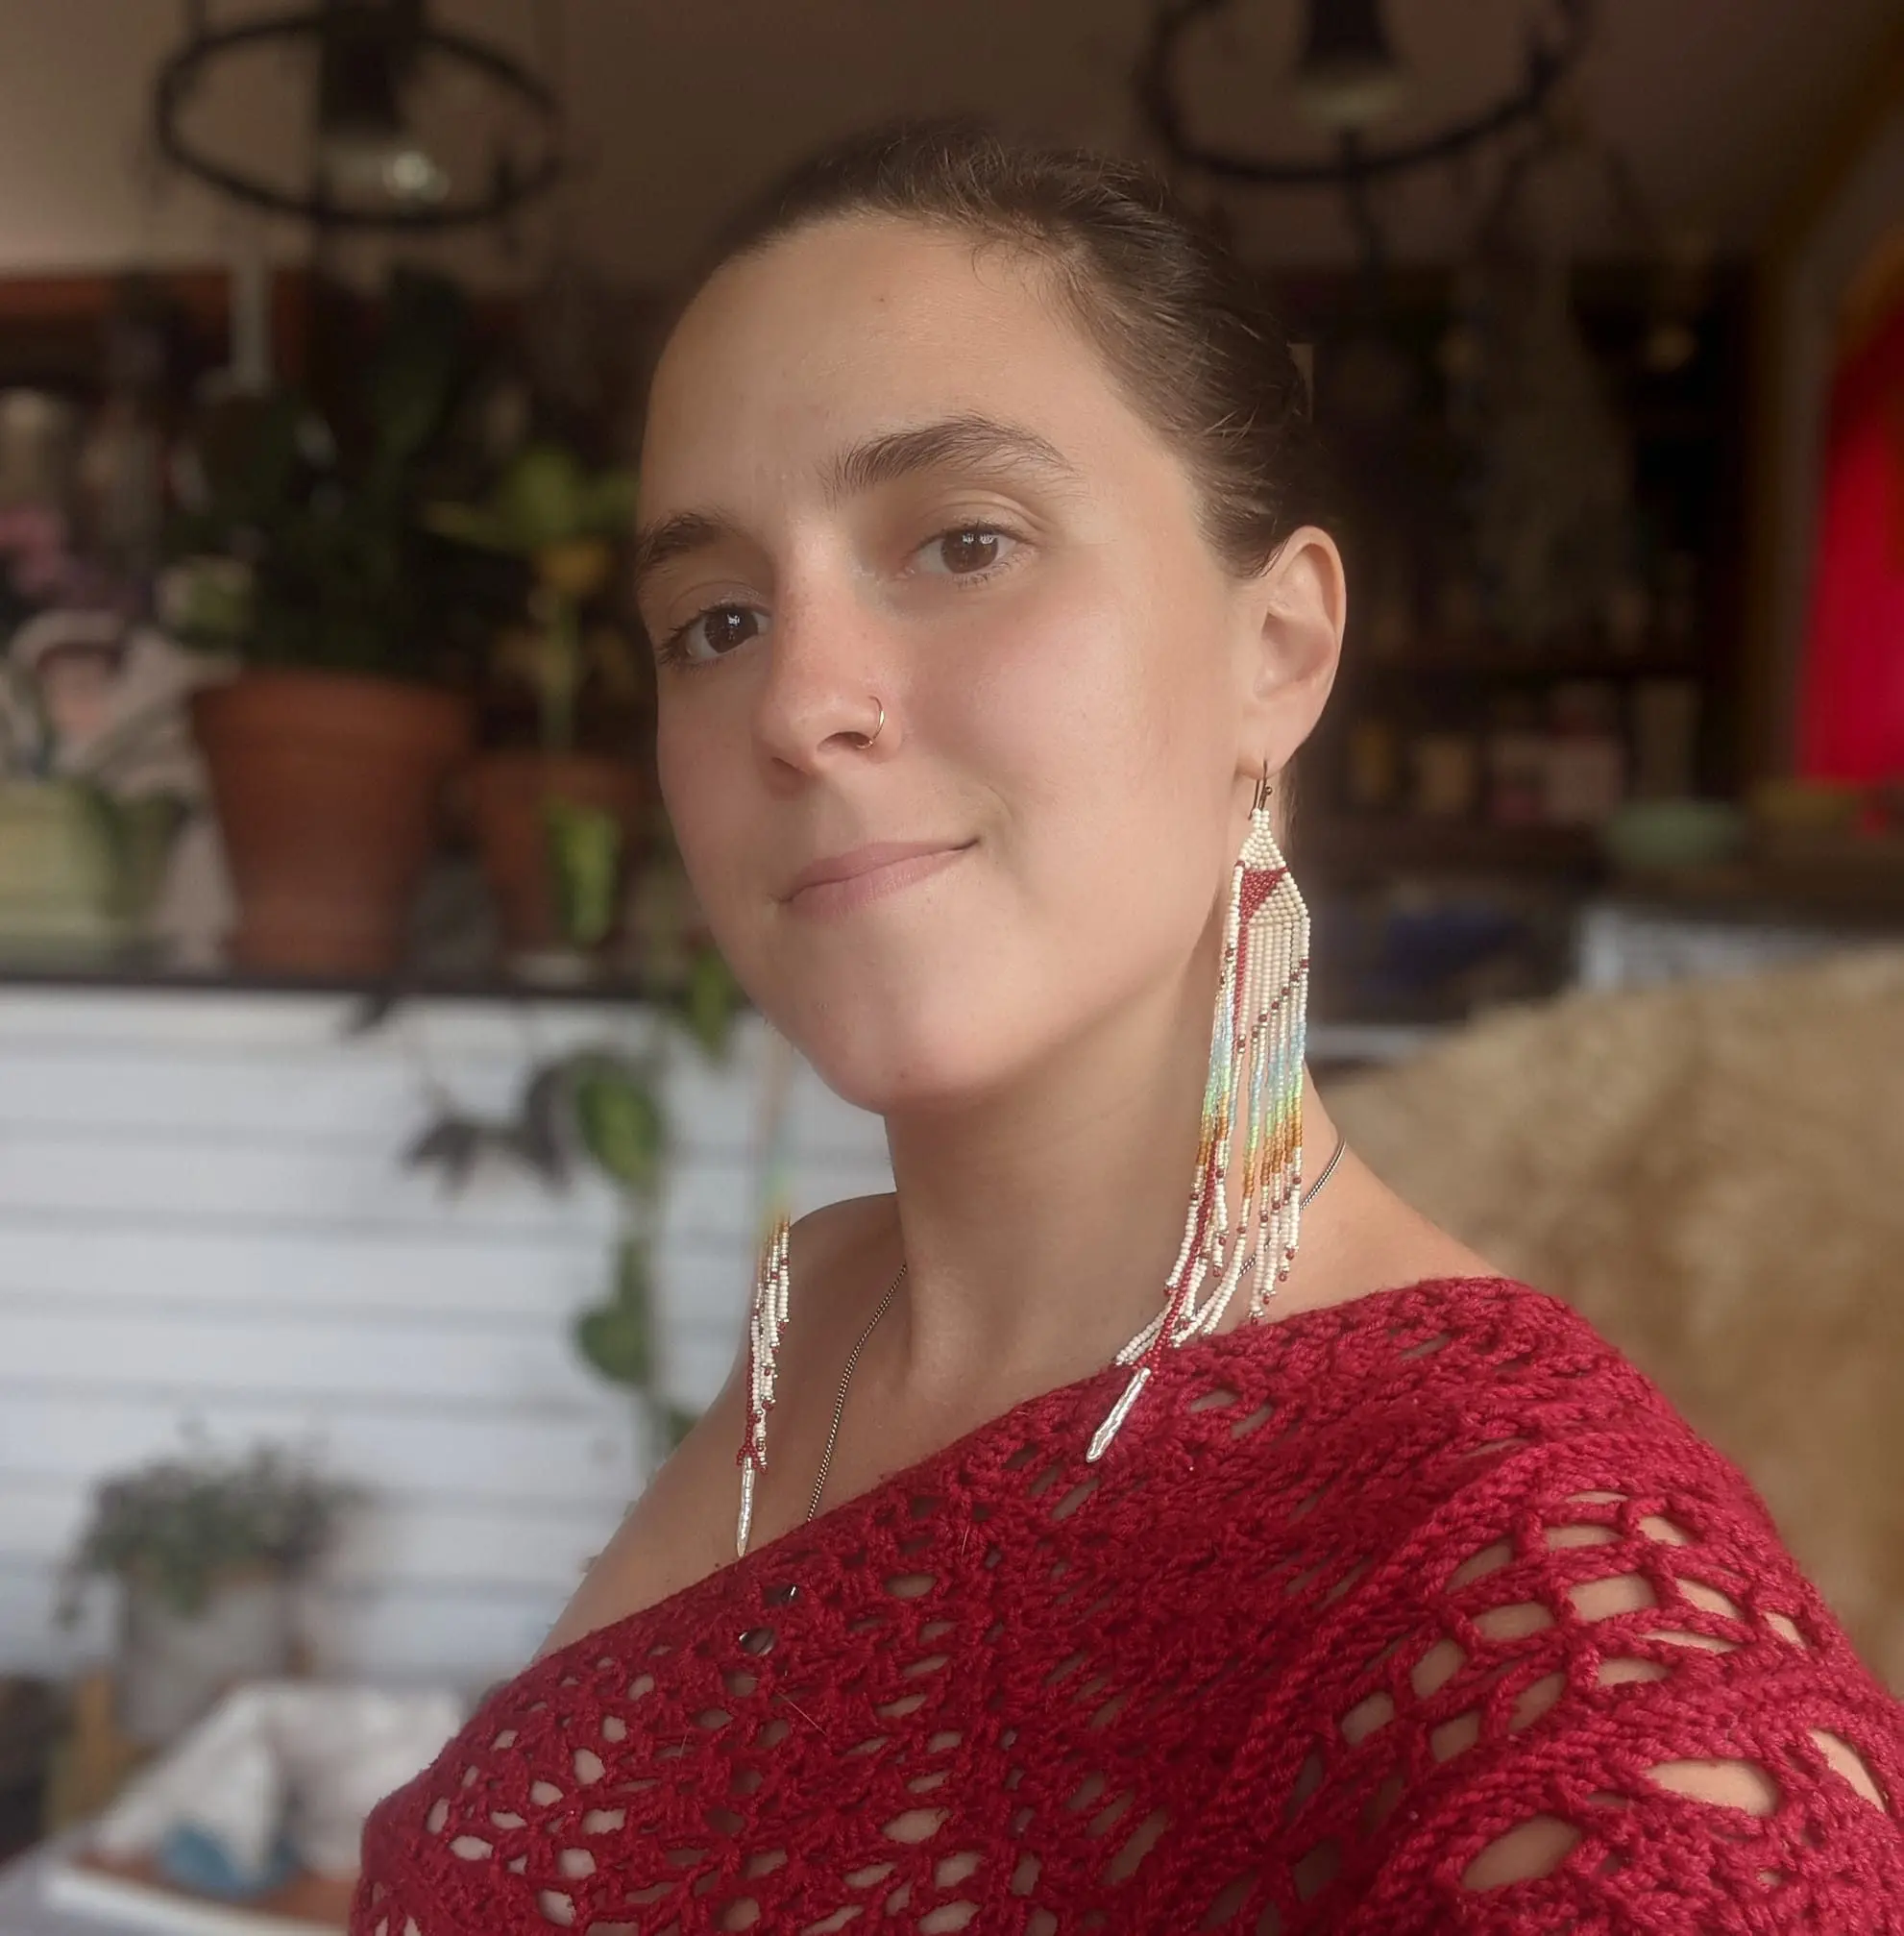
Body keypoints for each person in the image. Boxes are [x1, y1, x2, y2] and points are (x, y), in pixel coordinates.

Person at [351, 122, 1903, 1934]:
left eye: (964, 539)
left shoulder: (1560, 1642)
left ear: (1280, 646)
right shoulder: (827, 1317)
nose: (796, 698)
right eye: (715, 619)